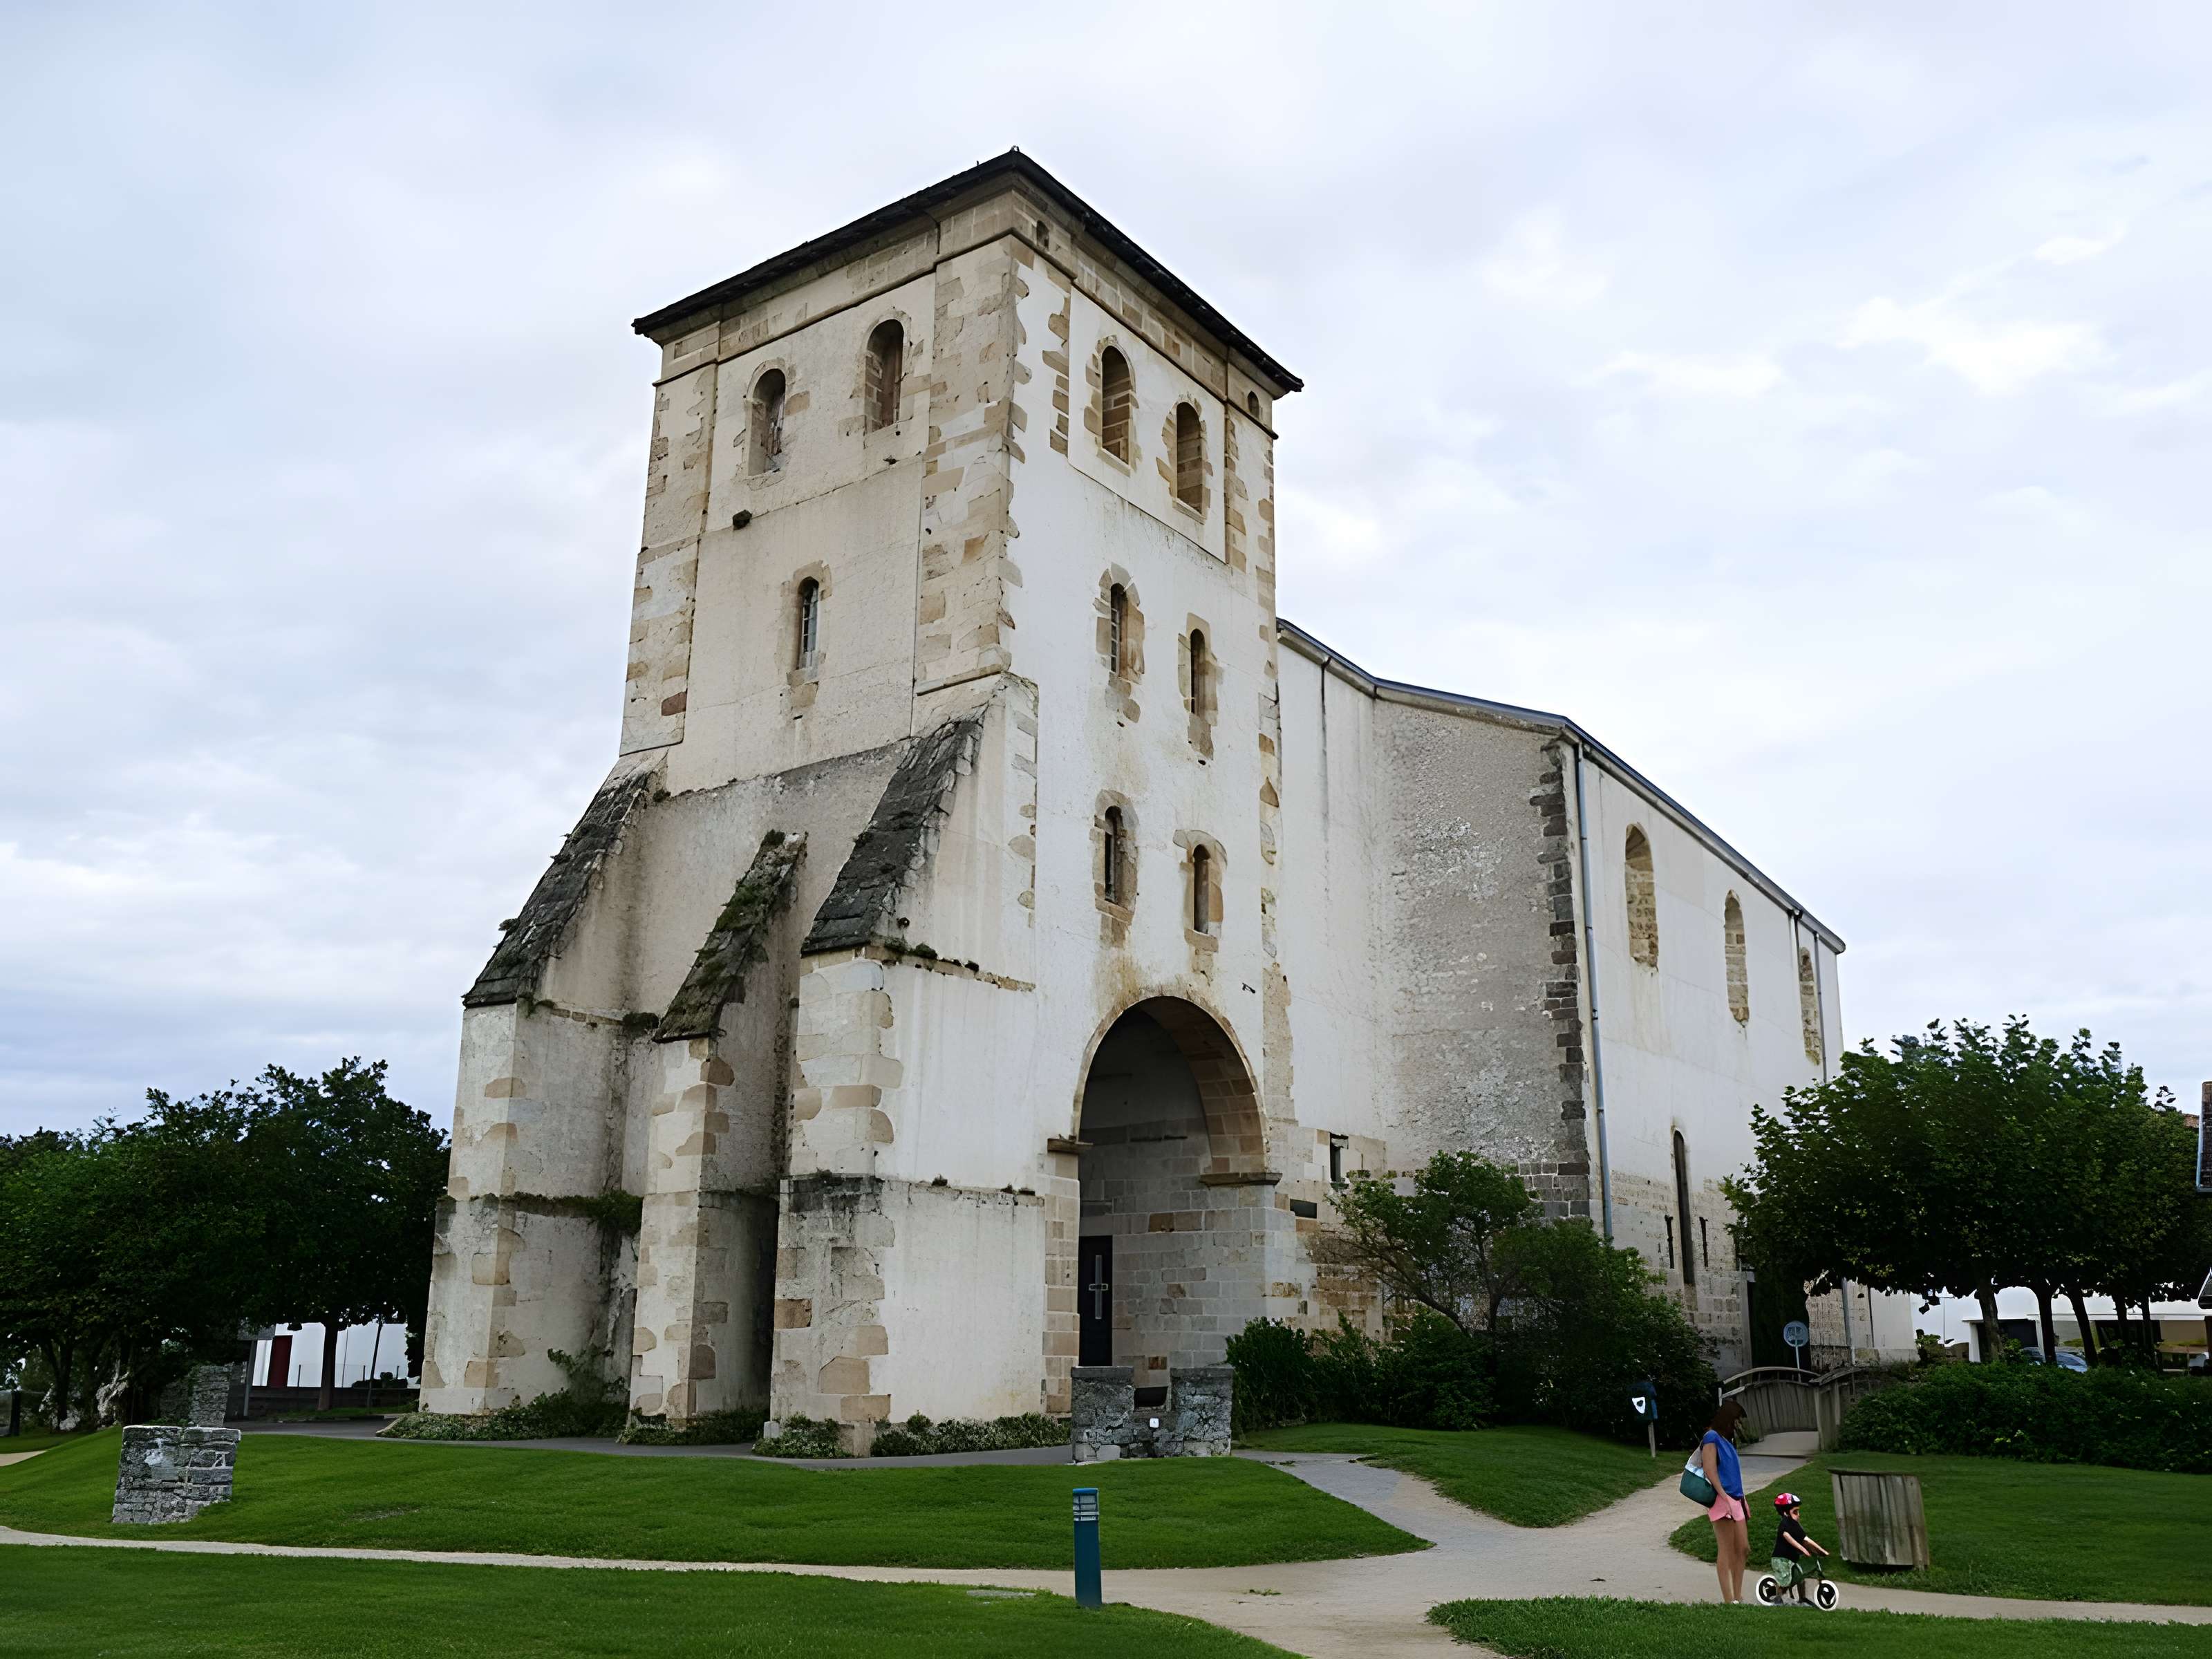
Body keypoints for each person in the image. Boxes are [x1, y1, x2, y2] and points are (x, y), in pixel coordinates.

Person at [1699, 1399, 1750, 1602]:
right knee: (1727, 1549)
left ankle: (1737, 1596)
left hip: (1737, 1499)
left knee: (1743, 1548)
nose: (1737, 1425)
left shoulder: (1726, 1441)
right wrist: (1724, 1496)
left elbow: (1733, 1473)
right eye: (1736, 1420)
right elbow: (1710, 1470)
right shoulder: (1711, 1437)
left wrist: (1742, 1499)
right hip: (1723, 1499)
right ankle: (1729, 1599)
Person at [1770, 1491, 1830, 1604]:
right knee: (1785, 1579)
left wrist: (1821, 1551)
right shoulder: (1784, 1525)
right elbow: (1790, 1539)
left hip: (1792, 1558)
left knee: (1800, 1577)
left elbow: (1806, 1539)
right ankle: (1778, 1597)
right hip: (1781, 1559)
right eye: (1795, 1512)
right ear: (1786, 1513)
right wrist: (1803, 1549)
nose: (1799, 1515)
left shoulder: (1795, 1525)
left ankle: (1802, 1598)